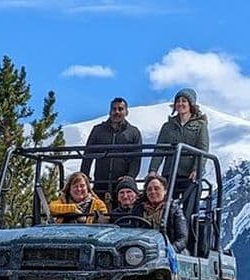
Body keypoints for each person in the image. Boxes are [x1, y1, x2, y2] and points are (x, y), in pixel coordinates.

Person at [147, 88, 209, 220]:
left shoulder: (200, 125)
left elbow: (202, 149)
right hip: (170, 172)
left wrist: (196, 169)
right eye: (178, 101)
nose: (180, 104)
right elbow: (159, 149)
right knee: (167, 207)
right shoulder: (168, 126)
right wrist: (153, 170)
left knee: (189, 210)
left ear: (191, 104)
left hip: (189, 175)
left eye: (184, 101)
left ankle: (188, 237)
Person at [80, 97, 142, 203]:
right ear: (110, 111)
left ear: (126, 112)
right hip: (100, 182)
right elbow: (88, 155)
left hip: (122, 185)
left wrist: (130, 177)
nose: (117, 112)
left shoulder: (133, 132)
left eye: (120, 109)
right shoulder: (98, 130)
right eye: (114, 109)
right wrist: (84, 176)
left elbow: (136, 158)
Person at [132, 175, 188, 252]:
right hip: (143, 253)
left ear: (165, 191)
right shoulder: (138, 210)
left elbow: (182, 239)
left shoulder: (173, 209)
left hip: (170, 252)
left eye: (156, 188)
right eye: (149, 189)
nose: (153, 192)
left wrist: (170, 250)